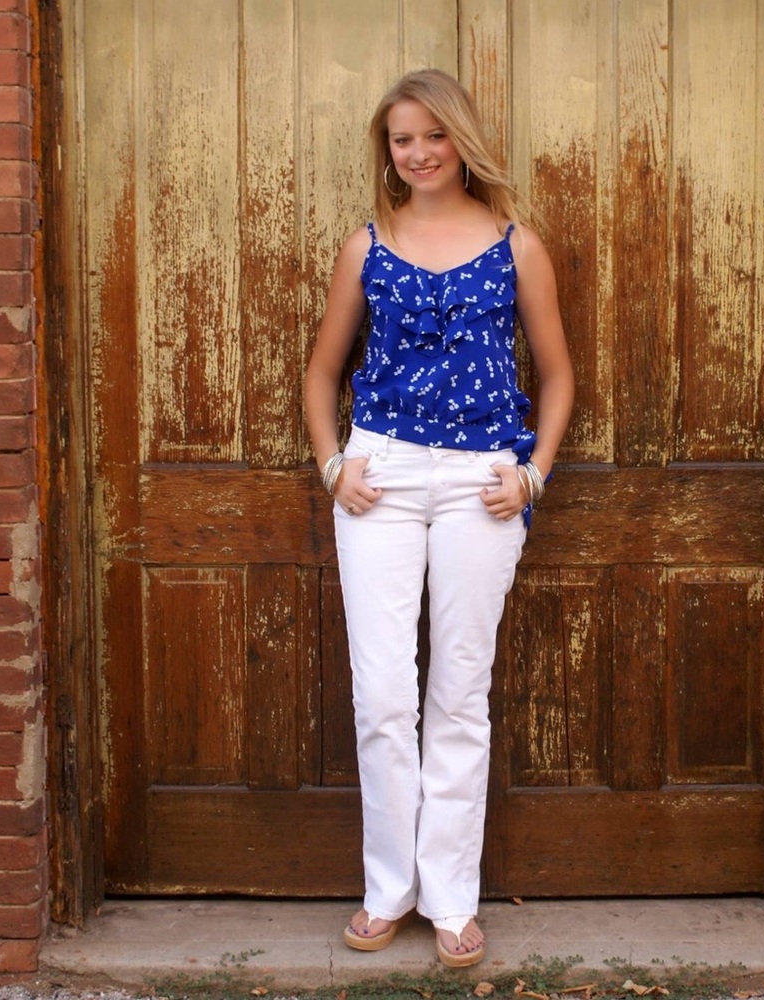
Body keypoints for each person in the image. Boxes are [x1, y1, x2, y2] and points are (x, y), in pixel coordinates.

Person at [304, 68, 574, 968]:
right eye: (400, 139)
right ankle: (389, 891)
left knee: (460, 694)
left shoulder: (514, 243)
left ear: (461, 140)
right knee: (382, 696)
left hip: (481, 484)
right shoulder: (366, 245)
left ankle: (452, 899)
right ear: (387, 151)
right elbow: (320, 376)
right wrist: (334, 465)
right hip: (379, 476)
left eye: (432, 136)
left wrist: (532, 476)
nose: (416, 153)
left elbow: (558, 374)